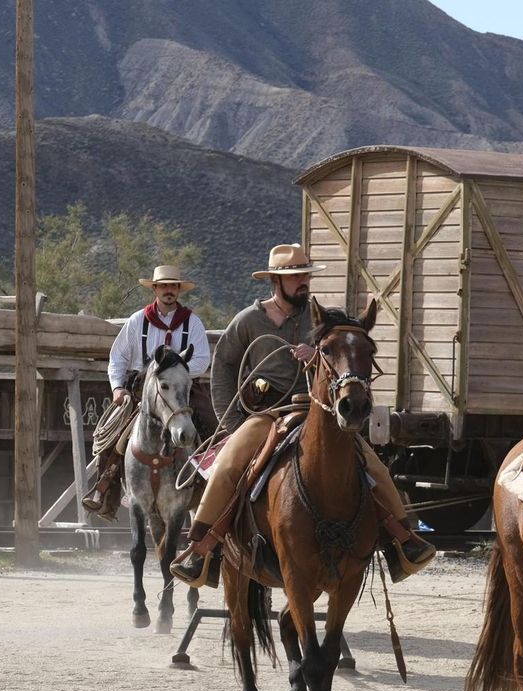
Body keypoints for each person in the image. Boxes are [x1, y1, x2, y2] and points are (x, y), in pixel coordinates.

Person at [169, 244, 435, 587]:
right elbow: (223, 367)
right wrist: (231, 423)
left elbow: (344, 348)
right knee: (229, 465)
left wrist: (319, 353)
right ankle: (202, 549)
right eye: (296, 277)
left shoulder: (322, 319)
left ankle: (401, 542)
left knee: (372, 466)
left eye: (305, 275)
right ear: (276, 281)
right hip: (263, 414)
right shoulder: (247, 321)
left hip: (316, 412)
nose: (303, 282)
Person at [82, 264, 213, 521]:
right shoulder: (137, 320)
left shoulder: (192, 322)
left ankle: (212, 489)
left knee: (213, 426)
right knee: (112, 437)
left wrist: (176, 373)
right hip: (142, 390)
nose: (169, 290)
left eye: (173, 286)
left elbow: (203, 359)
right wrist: (118, 388)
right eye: (164, 286)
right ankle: (104, 492)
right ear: (155, 288)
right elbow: (117, 358)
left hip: (182, 388)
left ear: (178, 290)